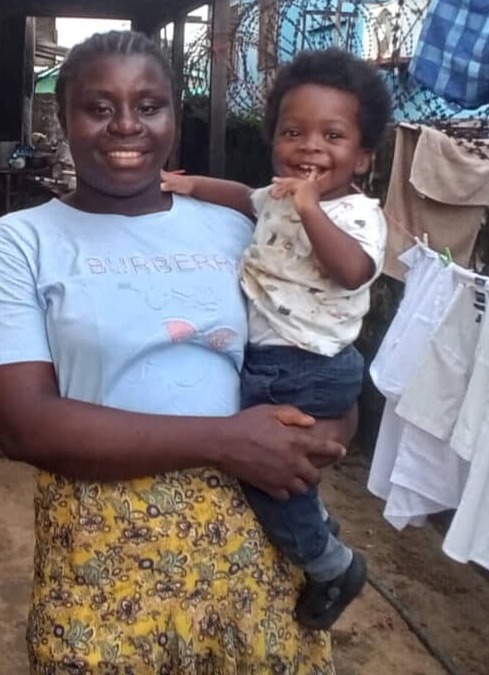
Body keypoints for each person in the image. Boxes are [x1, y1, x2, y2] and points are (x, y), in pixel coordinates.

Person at [0, 31, 347, 673]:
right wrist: (228, 442)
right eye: (98, 107)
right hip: (100, 552)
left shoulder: (242, 230)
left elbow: (316, 357)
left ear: (173, 115)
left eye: (148, 106)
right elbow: (23, 425)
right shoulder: (20, 243)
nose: (125, 126)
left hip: (257, 540)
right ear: (63, 119)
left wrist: (321, 434)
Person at [161, 49, 391, 629]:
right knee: (264, 459)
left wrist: (313, 209)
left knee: (265, 471)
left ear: (362, 155)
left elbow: (353, 272)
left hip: (306, 364)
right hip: (279, 360)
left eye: (332, 135)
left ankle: (328, 563)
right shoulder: (279, 196)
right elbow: (242, 195)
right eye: (294, 132)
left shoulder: (357, 214)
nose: (310, 146)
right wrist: (184, 183)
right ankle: (318, 529)